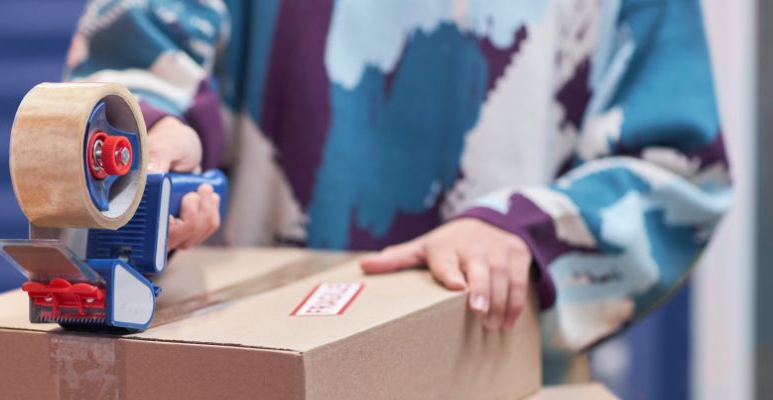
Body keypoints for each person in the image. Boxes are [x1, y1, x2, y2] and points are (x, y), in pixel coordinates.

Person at [65, 0, 730, 380]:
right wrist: (150, 144)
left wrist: (524, 231)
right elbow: (130, 52)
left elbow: (678, 170)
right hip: (255, 368)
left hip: (499, 373)